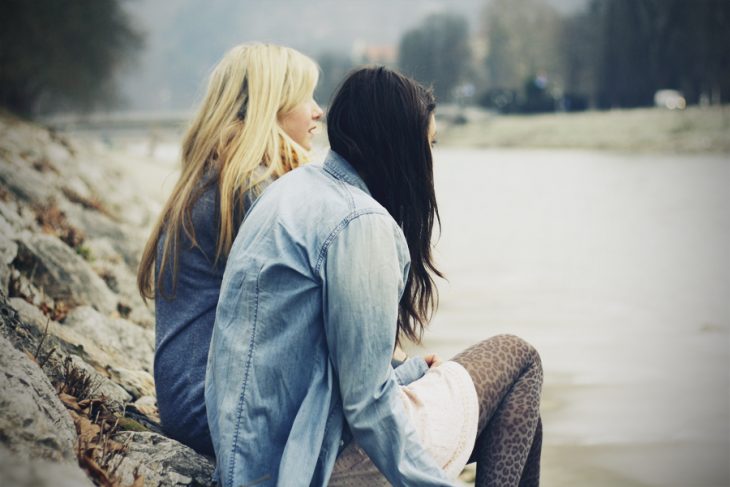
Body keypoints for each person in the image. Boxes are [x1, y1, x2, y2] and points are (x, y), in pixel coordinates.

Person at [206, 66, 543, 486]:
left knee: (521, 417)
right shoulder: (359, 223)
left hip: (259, 456)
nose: (430, 161)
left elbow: (317, 369)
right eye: (428, 145)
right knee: (520, 357)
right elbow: (367, 407)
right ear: (399, 146)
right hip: (310, 466)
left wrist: (408, 372)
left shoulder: (291, 190)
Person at [136, 43, 323, 456]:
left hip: (196, 402)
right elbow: (321, 313)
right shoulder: (249, 190)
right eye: (306, 97)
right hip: (219, 411)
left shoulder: (222, 179)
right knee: (496, 365)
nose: (318, 111)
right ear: (270, 106)